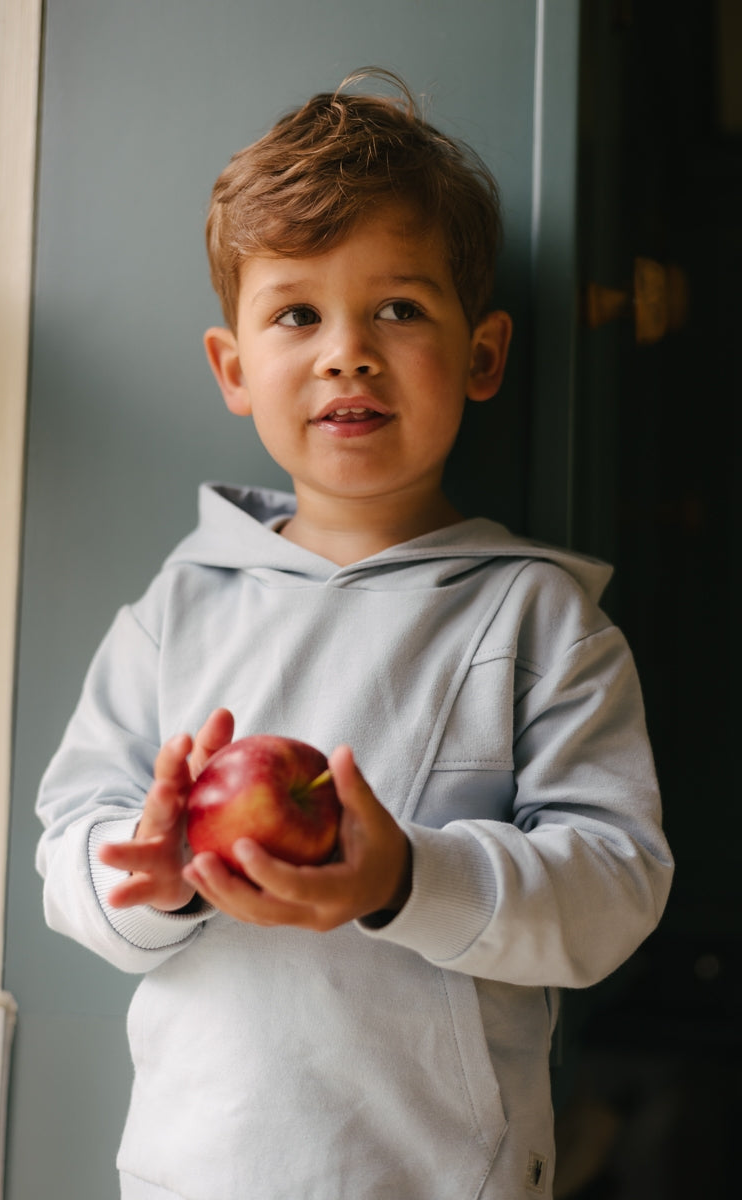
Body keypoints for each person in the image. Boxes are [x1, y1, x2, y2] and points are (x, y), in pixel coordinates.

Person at [36, 69, 673, 1200]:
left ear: (480, 356)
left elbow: (612, 889)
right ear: (234, 370)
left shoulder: (537, 619)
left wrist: (402, 879)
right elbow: (69, 844)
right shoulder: (176, 610)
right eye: (296, 314)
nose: (346, 352)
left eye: (398, 309)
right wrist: (151, 872)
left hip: (438, 1177)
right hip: (195, 1173)